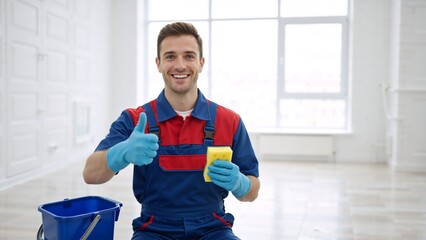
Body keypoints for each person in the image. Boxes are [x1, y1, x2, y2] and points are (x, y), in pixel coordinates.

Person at [83, 21, 260, 239]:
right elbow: (91, 174)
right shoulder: (137, 119)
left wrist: (240, 183)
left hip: (214, 229)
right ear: (158, 63)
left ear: (201, 62)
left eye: (188, 56)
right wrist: (121, 153)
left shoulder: (229, 121)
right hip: (154, 230)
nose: (180, 65)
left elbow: (253, 192)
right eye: (170, 56)